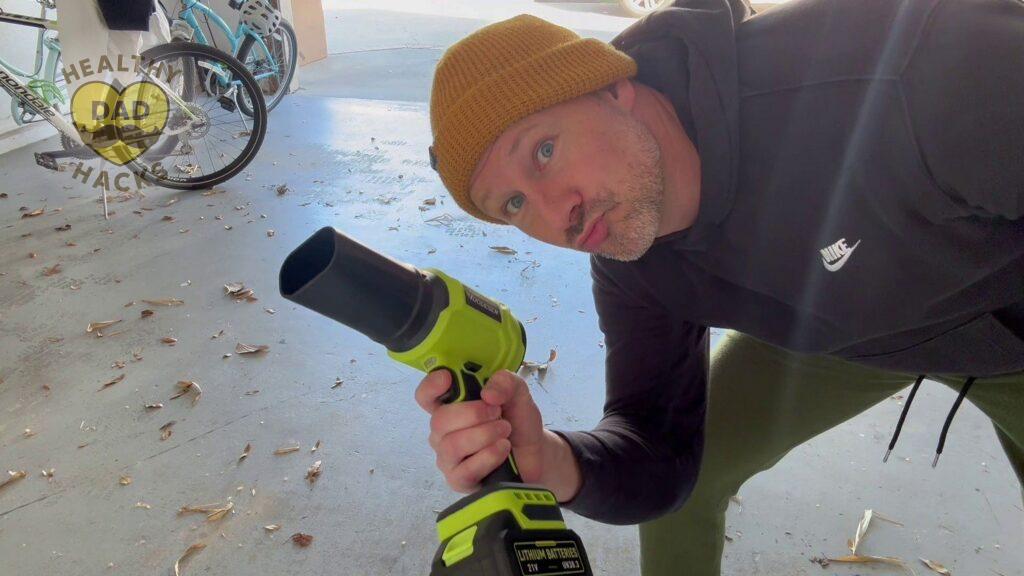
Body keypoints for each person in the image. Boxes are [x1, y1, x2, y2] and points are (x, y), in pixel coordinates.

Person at [413, 0, 1024, 574]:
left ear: (613, 87)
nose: (556, 214)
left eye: (544, 151)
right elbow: (653, 450)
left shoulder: (911, 72)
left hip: (1006, 327)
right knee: (700, 468)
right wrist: (550, 461)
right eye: (514, 204)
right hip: (832, 331)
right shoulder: (631, 255)